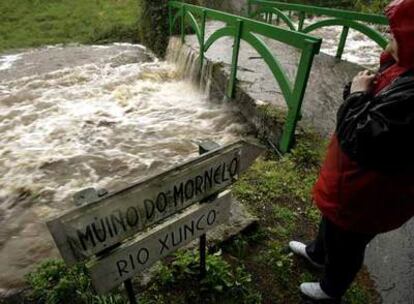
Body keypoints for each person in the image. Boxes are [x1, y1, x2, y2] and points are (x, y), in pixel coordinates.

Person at [288, 0, 414, 301]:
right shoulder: (400, 69)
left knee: (348, 242)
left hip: (369, 193)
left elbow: (362, 136)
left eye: (396, 35)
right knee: (332, 221)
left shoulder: (410, 92)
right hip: (351, 183)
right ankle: (318, 253)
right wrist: (356, 91)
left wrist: (357, 94)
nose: (389, 38)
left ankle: (331, 289)